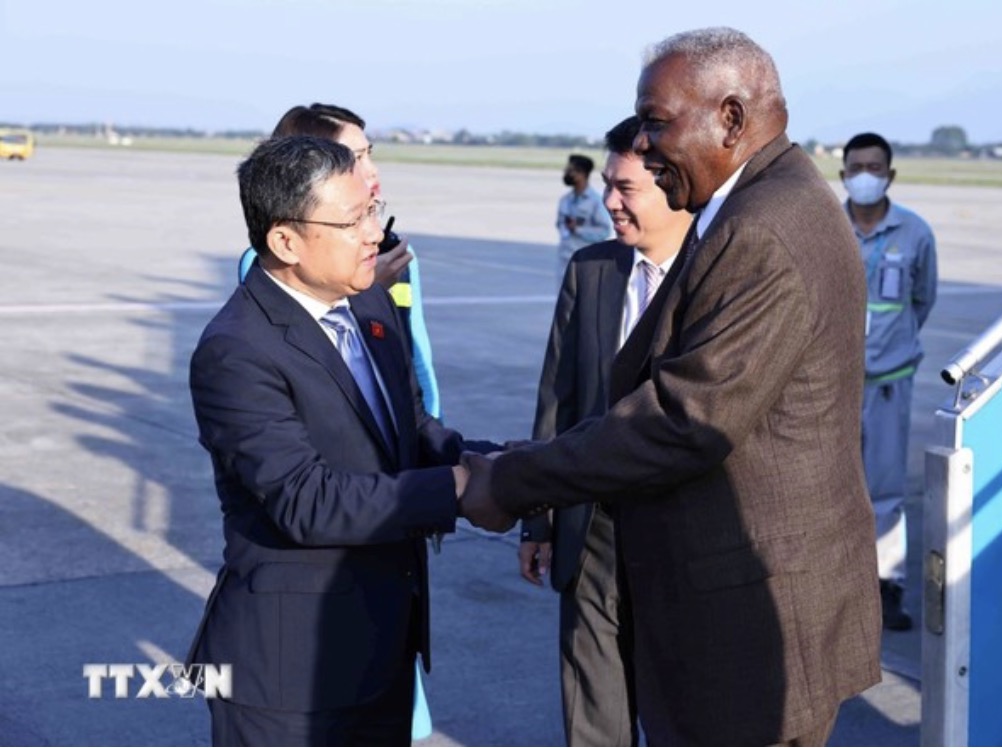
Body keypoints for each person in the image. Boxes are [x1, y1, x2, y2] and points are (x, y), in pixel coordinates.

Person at [461, 27, 882, 745]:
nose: (646, 145)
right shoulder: (761, 205)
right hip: (747, 609)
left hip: (747, 629)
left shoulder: (764, 228)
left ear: (731, 118)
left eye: (657, 122)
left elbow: (684, 421)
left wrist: (509, 482)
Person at [187, 135, 499, 745]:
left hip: (381, 658)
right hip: (289, 679)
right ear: (284, 241)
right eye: (352, 220)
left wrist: (520, 464)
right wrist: (459, 490)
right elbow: (307, 500)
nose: (374, 235)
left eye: (374, 212)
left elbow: (413, 435)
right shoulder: (237, 349)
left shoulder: (369, 306)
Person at [520, 115, 691, 746]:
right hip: (591, 529)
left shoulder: (716, 273)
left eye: (625, 189)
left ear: (672, 185)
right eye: (608, 186)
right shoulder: (591, 271)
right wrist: (536, 516)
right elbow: (556, 402)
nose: (609, 203)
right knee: (593, 715)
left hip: (682, 540)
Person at [238, 102, 442, 418]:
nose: (371, 170)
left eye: (369, 154)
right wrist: (366, 289)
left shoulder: (389, 248)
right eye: (354, 158)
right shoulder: (272, 263)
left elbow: (416, 354)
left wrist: (433, 431)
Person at [840, 132, 938, 632]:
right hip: (833, 382)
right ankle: (835, 583)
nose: (865, 176)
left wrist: (892, 346)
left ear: (890, 175)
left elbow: (922, 300)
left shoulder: (915, 234)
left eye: (874, 168)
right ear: (842, 176)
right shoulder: (827, 228)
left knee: (885, 486)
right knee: (830, 483)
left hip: (888, 379)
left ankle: (886, 584)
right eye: (857, 167)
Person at [555, 153, 612, 284]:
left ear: (582, 174)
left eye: (570, 171)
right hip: (565, 259)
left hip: (585, 262)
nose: (566, 173)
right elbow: (560, 225)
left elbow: (604, 231)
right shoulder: (565, 200)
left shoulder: (595, 202)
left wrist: (578, 230)